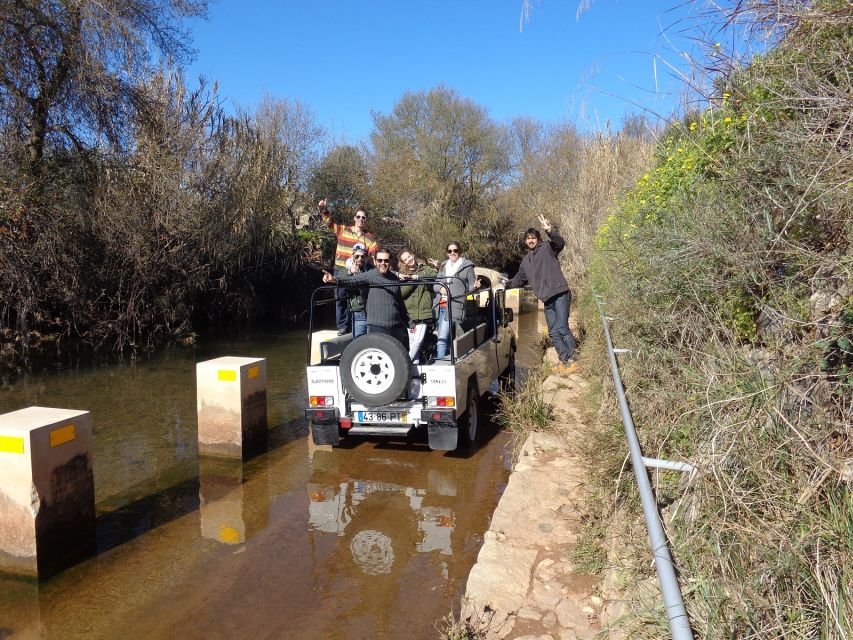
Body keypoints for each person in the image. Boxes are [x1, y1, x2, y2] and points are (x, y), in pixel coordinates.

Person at [507, 214, 578, 374]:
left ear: (538, 239)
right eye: (528, 239)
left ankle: (573, 358)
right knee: (553, 332)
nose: (530, 240)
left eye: (533, 238)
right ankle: (564, 359)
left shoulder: (547, 247)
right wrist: (504, 284)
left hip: (560, 293)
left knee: (562, 327)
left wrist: (549, 230)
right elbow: (519, 279)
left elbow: (560, 243)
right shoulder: (526, 261)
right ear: (525, 241)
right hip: (547, 299)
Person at [322, 247, 409, 348]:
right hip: (377, 326)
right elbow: (352, 281)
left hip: (397, 326)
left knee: (402, 356)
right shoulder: (370, 275)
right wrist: (334, 279)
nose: (383, 263)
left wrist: (409, 323)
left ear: (390, 261)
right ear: (375, 261)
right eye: (380, 260)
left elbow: (400, 303)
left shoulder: (394, 278)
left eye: (386, 260)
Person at [319, 199, 378, 335]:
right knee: (340, 298)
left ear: (366, 220)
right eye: (358, 216)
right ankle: (343, 327)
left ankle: (356, 326)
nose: (361, 219)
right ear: (354, 218)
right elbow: (329, 223)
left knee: (357, 297)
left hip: (359, 271)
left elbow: (376, 253)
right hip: (341, 269)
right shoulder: (343, 230)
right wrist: (324, 209)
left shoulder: (369, 237)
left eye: (364, 217)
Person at [433, 241, 477, 360]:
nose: (453, 253)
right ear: (447, 253)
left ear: (460, 252)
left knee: (441, 339)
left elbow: (470, 287)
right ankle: (448, 362)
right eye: (450, 251)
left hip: (455, 307)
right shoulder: (443, 266)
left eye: (455, 250)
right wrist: (441, 289)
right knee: (447, 339)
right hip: (441, 306)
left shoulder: (467, 267)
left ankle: (440, 368)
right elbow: (435, 286)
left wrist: (476, 286)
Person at [398, 249, 437, 363]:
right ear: (403, 262)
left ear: (413, 255)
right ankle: (414, 371)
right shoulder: (403, 274)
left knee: (418, 341)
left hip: (423, 311)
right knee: (413, 343)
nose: (409, 259)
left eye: (409, 256)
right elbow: (402, 293)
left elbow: (435, 275)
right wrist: (411, 280)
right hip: (409, 313)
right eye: (405, 259)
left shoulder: (424, 268)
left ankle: (405, 363)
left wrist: (418, 276)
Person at [345, 246, 370, 338]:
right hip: (358, 311)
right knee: (358, 341)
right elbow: (339, 280)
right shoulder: (346, 270)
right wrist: (350, 272)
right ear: (352, 257)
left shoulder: (370, 269)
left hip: (373, 311)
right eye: (357, 256)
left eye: (362, 256)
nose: (360, 259)